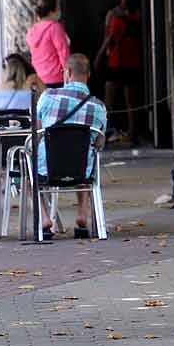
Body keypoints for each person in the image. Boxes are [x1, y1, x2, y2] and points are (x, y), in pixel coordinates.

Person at [35, 53, 107, 238]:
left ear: (66, 72)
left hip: (48, 169)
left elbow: (37, 132)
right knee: (86, 154)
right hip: (81, 170)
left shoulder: (47, 97)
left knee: (30, 174)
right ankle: (82, 214)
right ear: (88, 74)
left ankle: (44, 218)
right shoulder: (99, 106)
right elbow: (99, 143)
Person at [95, 0, 144, 145]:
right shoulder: (138, 15)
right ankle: (130, 131)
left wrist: (98, 58)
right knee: (130, 101)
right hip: (132, 62)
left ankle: (105, 130)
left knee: (110, 98)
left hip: (118, 62)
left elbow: (108, 39)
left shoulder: (118, 18)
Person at [26, 0, 71, 88]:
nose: (59, 11)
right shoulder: (55, 27)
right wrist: (68, 73)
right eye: (58, 9)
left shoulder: (32, 30)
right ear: (51, 12)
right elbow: (63, 53)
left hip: (39, 77)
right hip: (56, 77)